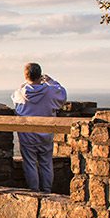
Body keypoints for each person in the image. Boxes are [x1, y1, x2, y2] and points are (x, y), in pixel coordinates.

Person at [11, 62, 67, 193]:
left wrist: (25, 83)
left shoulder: (20, 93)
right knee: (46, 163)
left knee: (29, 163)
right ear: (40, 75)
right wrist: (50, 81)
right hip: (46, 133)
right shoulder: (50, 91)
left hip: (27, 135)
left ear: (26, 76)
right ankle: (47, 190)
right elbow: (62, 94)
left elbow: (14, 97)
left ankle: (34, 190)